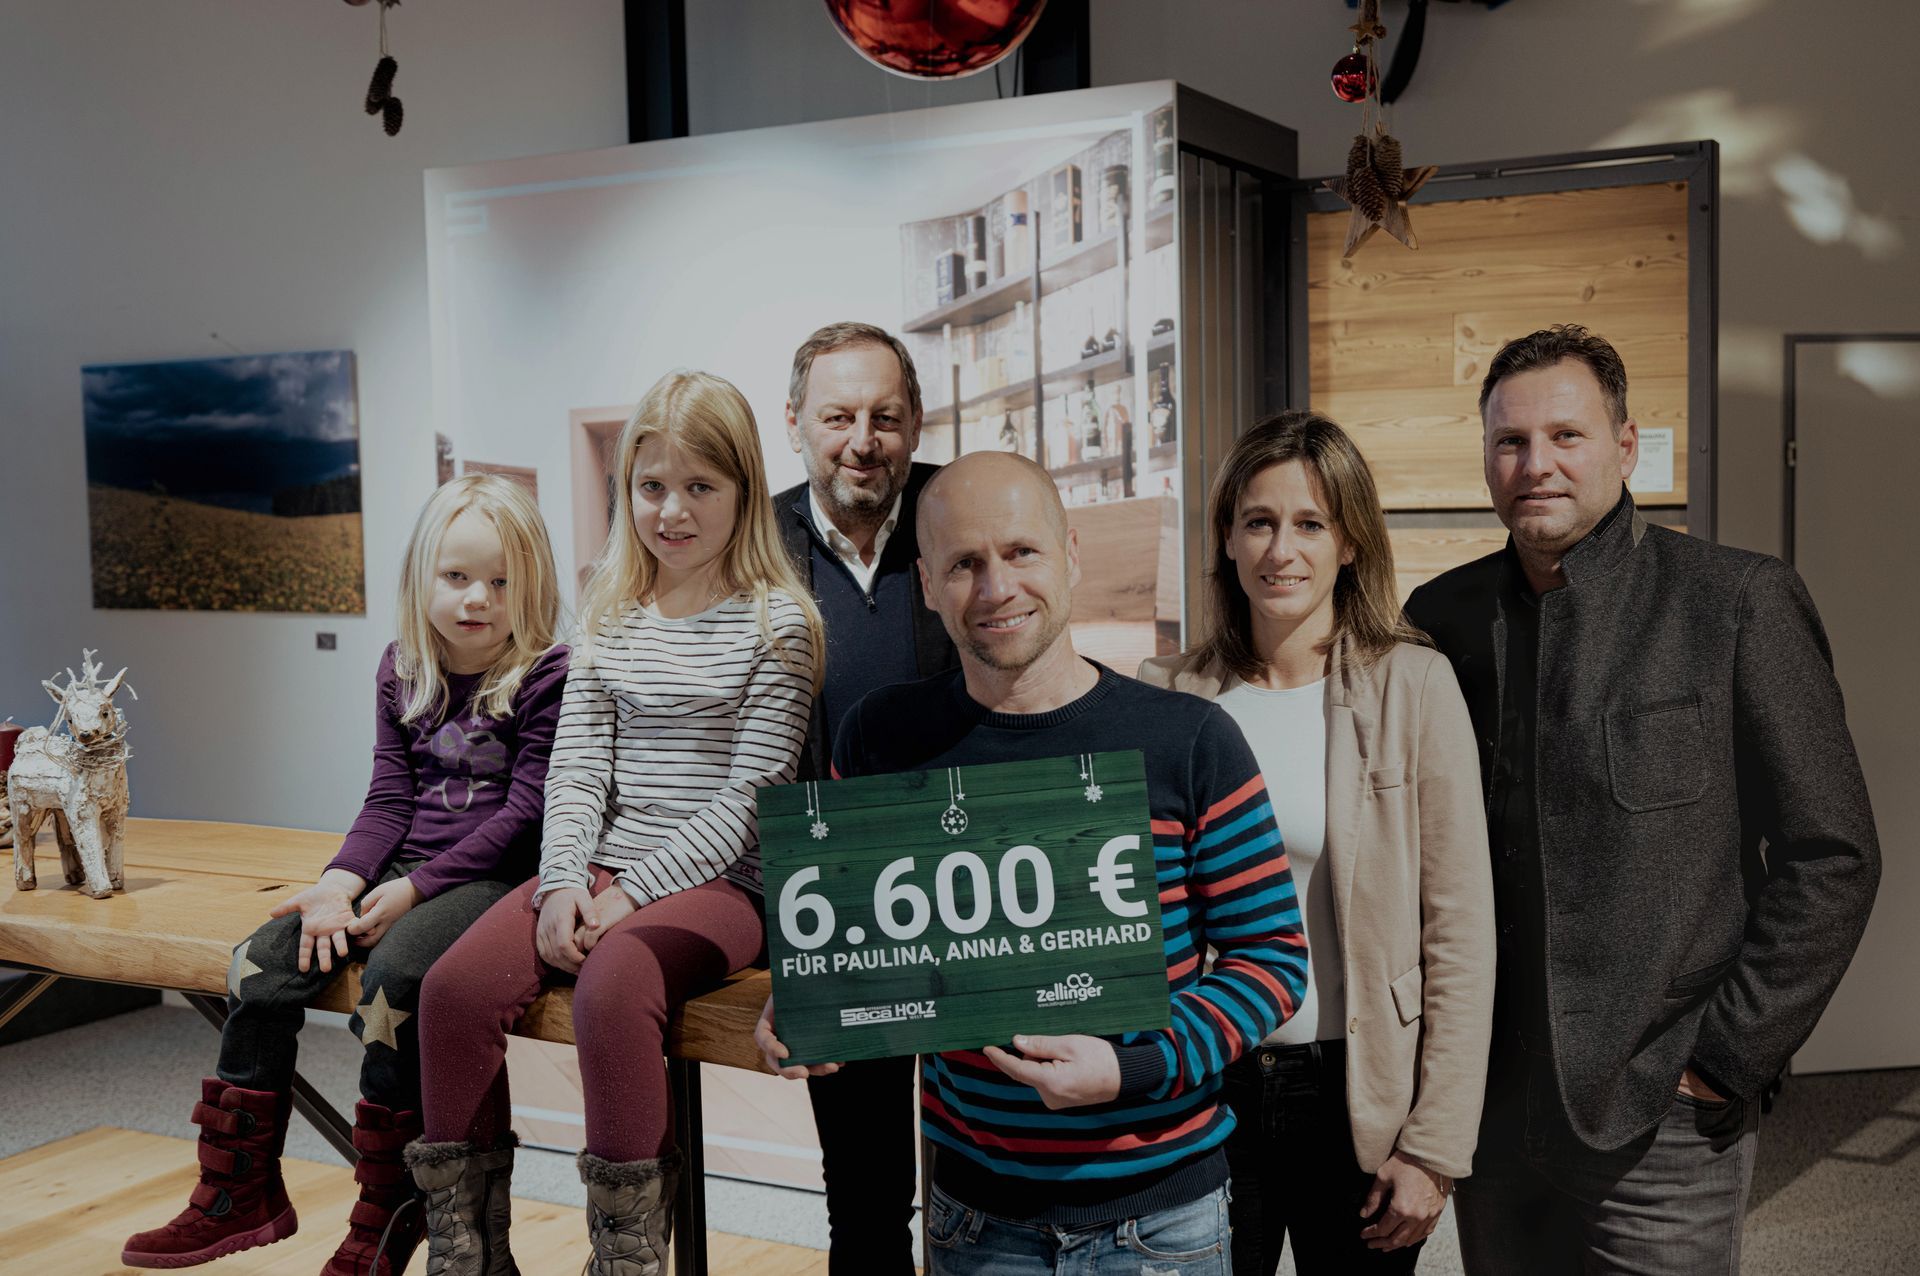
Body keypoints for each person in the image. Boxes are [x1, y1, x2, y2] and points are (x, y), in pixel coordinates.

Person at [1404, 324, 1882, 1274]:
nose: (1536, 463)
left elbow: (1832, 855)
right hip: (1491, 1113)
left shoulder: (1735, 601)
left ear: (1625, 447)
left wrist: (1725, 1060)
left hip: (1660, 1113)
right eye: (1510, 442)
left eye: (1567, 436)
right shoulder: (1438, 620)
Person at [759, 450, 1309, 1275]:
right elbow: (864, 949)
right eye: (964, 564)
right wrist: (811, 999)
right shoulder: (881, 739)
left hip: (1162, 1218)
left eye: (1021, 553)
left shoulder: (1187, 740)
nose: (996, 588)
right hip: (977, 1218)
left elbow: (1272, 961)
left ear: (1072, 554)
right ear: (926, 581)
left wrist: (1134, 1066)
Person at [407, 371, 821, 1276]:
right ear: (624, 489)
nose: (671, 510)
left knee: (613, 984)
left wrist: (631, 891)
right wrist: (562, 881)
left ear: (745, 491)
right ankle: (468, 1254)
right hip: (598, 868)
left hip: (724, 884)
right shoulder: (607, 612)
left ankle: (626, 1260)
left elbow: (751, 798)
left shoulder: (780, 623)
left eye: (700, 487)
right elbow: (579, 767)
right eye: (651, 486)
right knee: (452, 992)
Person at [120, 474, 568, 1274]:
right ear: (422, 576)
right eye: (458, 577)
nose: (479, 599)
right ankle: (239, 1192)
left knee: (393, 979)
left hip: (494, 881)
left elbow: (524, 818)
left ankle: (385, 1214)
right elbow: (388, 800)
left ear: (531, 587)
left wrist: (416, 889)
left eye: (503, 582)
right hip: (402, 869)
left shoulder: (545, 674)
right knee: (259, 962)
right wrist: (339, 882)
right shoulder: (402, 667)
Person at [1137, 411, 1494, 1273]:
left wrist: (1435, 1147)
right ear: (1225, 537)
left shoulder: (1414, 684)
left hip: (1358, 1092)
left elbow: (1461, 929)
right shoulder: (1170, 695)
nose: (1280, 550)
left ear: (1350, 543)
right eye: (1258, 522)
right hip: (1207, 1082)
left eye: (1310, 524)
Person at [771, 320, 958, 1274]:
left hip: (974, 893)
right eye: (838, 416)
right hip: (838, 903)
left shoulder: (957, 515)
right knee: (867, 1195)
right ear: (796, 421)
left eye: (886, 416)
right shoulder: (753, 544)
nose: (863, 440)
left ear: (917, 420)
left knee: (982, 1188)